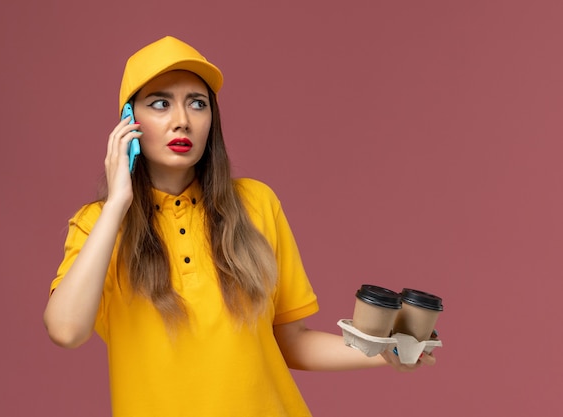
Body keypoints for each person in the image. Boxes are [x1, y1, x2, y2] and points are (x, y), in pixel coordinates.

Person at [43, 35, 436, 417]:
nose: (182, 120)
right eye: (160, 103)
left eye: (197, 104)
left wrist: (384, 353)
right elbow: (66, 329)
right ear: (128, 123)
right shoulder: (98, 225)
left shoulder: (256, 204)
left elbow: (291, 342)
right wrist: (116, 206)